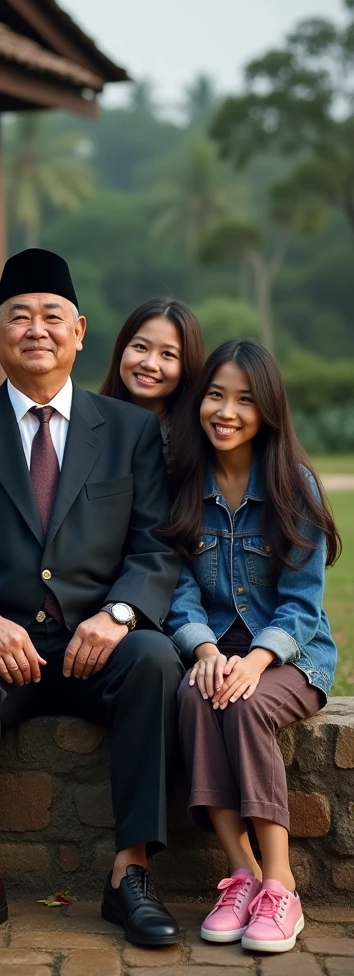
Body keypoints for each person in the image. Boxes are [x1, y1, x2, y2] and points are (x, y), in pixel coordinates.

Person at [0, 248, 184, 950]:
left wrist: (120, 614)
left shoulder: (129, 431)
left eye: (52, 316)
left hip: (100, 645)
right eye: (18, 317)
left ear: (81, 331)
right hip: (0, 649)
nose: (37, 329)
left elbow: (157, 547)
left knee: (154, 657)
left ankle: (132, 874)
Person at [165, 339, 339, 955]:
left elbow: (301, 605)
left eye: (244, 399)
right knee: (192, 699)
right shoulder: (185, 485)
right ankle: (240, 874)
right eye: (215, 394)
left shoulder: (296, 487)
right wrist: (205, 653)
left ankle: (281, 885)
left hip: (291, 655)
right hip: (216, 648)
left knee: (245, 704)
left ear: (268, 409)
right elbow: (179, 594)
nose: (226, 411)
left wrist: (256, 661)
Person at [100, 297, 204, 476]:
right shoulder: (86, 424)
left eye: (167, 354)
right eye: (140, 347)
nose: (150, 364)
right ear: (121, 350)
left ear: (187, 365)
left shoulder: (199, 442)